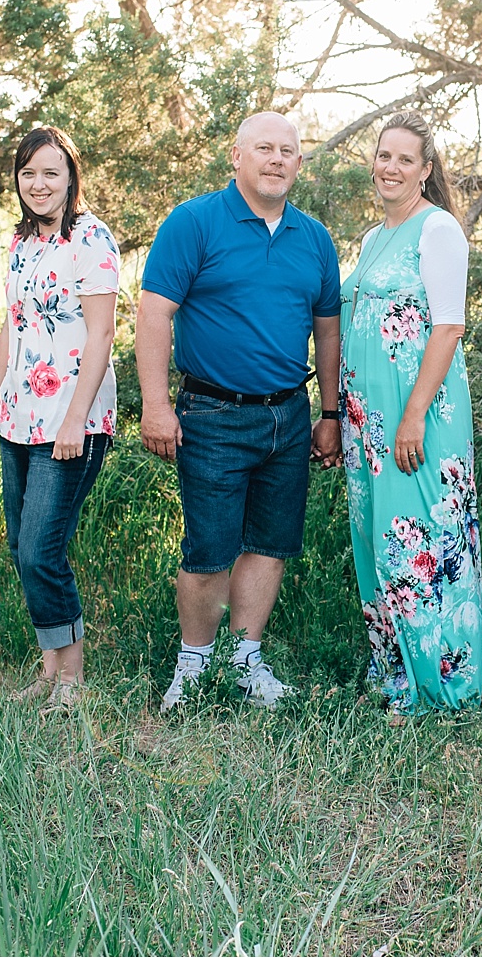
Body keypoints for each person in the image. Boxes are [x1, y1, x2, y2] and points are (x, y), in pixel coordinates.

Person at [136, 111, 342, 710]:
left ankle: (245, 659)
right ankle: (194, 664)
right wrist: (154, 405)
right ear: (237, 156)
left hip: (288, 415)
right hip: (211, 412)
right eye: (264, 149)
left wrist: (329, 413)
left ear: (299, 163)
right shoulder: (194, 222)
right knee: (208, 548)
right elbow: (154, 315)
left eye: (288, 151)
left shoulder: (315, 238)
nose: (277, 160)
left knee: (271, 543)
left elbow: (327, 332)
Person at [340, 111, 482, 718]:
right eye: (383, 155)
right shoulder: (373, 240)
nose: (390, 167)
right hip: (366, 420)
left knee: (424, 538)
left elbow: (448, 326)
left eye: (405, 159)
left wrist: (412, 415)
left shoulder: (439, 229)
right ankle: (394, 674)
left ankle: (442, 682)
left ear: (426, 170)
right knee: (379, 541)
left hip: (420, 416)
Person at [0, 126, 120, 713]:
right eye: (28, 173)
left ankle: (73, 678)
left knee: (41, 548)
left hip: (70, 421)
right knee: (20, 546)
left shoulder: (91, 237)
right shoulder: (20, 242)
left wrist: (75, 420)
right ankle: (50, 665)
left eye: (50, 172)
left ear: (70, 177)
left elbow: (104, 332)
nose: (38, 184)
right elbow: (12, 326)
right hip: (18, 416)